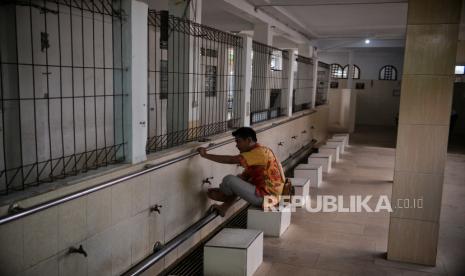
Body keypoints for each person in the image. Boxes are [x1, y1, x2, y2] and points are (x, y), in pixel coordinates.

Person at [197, 127, 285, 216]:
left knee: (229, 180)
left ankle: (224, 197)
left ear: (248, 140)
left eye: (238, 141)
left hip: (269, 199)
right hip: (271, 197)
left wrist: (205, 155)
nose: (236, 145)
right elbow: (242, 179)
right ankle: (224, 207)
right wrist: (223, 190)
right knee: (239, 178)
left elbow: (231, 160)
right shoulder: (258, 152)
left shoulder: (260, 153)